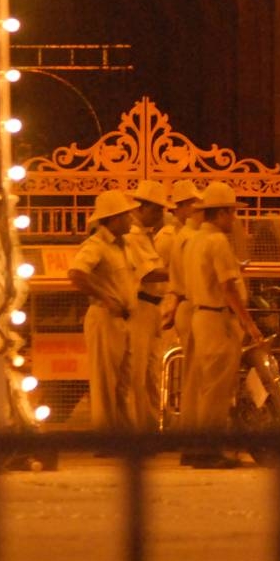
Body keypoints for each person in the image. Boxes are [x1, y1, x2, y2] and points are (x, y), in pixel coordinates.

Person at [181, 182, 264, 468]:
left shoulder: (193, 240)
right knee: (217, 388)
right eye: (231, 212)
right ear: (220, 214)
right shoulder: (217, 241)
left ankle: (193, 448)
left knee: (202, 386)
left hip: (199, 315)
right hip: (217, 318)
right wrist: (249, 324)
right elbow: (228, 287)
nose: (234, 219)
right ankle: (208, 450)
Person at [69, 189, 141, 434]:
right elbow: (76, 274)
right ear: (114, 218)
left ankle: (123, 435)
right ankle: (106, 437)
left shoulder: (124, 246)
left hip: (122, 319)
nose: (131, 219)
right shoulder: (97, 245)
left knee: (122, 381)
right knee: (105, 381)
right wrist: (106, 298)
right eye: (126, 215)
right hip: (105, 317)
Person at [124, 179, 174, 431]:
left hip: (153, 307)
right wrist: (182, 272)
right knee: (139, 373)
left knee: (152, 371)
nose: (160, 215)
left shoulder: (145, 236)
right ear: (141, 207)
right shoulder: (133, 238)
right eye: (156, 209)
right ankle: (138, 430)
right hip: (141, 307)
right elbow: (148, 274)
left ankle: (152, 426)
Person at [160, 179, 204, 410]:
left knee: (187, 370)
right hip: (176, 304)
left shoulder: (186, 235)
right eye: (195, 204)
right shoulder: (172, 237)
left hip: (179, 304)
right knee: (180, 370)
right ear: (184, 206)